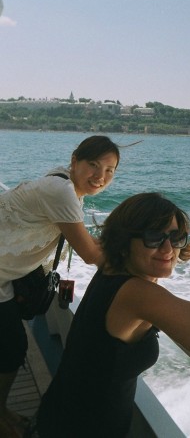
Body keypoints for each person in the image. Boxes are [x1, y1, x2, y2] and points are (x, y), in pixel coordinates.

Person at [33, 192, 190, 437]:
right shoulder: (137, 294)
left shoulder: (110, 270)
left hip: (61, 414)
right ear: (125, 241)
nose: (168, 248)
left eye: (175, 237)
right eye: (154, 237)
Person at [0, 135, 120, 438]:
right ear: (74, 161)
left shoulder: (66, 186)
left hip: (4, 276)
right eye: (93, 165)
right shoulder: (61, 192)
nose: (100, 176)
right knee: (13, 347)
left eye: (109, 170)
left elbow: (82, 238)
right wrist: (130, 254)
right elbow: (91, 255)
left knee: (10, 346)